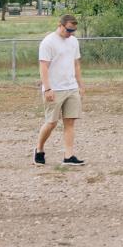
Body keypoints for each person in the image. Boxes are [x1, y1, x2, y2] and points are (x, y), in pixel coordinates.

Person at [34, 13, 85, 165]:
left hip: (71, 87)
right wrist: (48, 88)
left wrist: (80, 85)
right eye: (68, 30)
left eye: (73, 31)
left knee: (70, 122)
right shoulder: (48, 42)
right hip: (55, 89)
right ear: (60, 25)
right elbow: (43, 67)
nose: (70, 33)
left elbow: (76, 64)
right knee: (51, 122)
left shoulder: (74, 42)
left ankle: (69, 156)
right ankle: (39, 149)